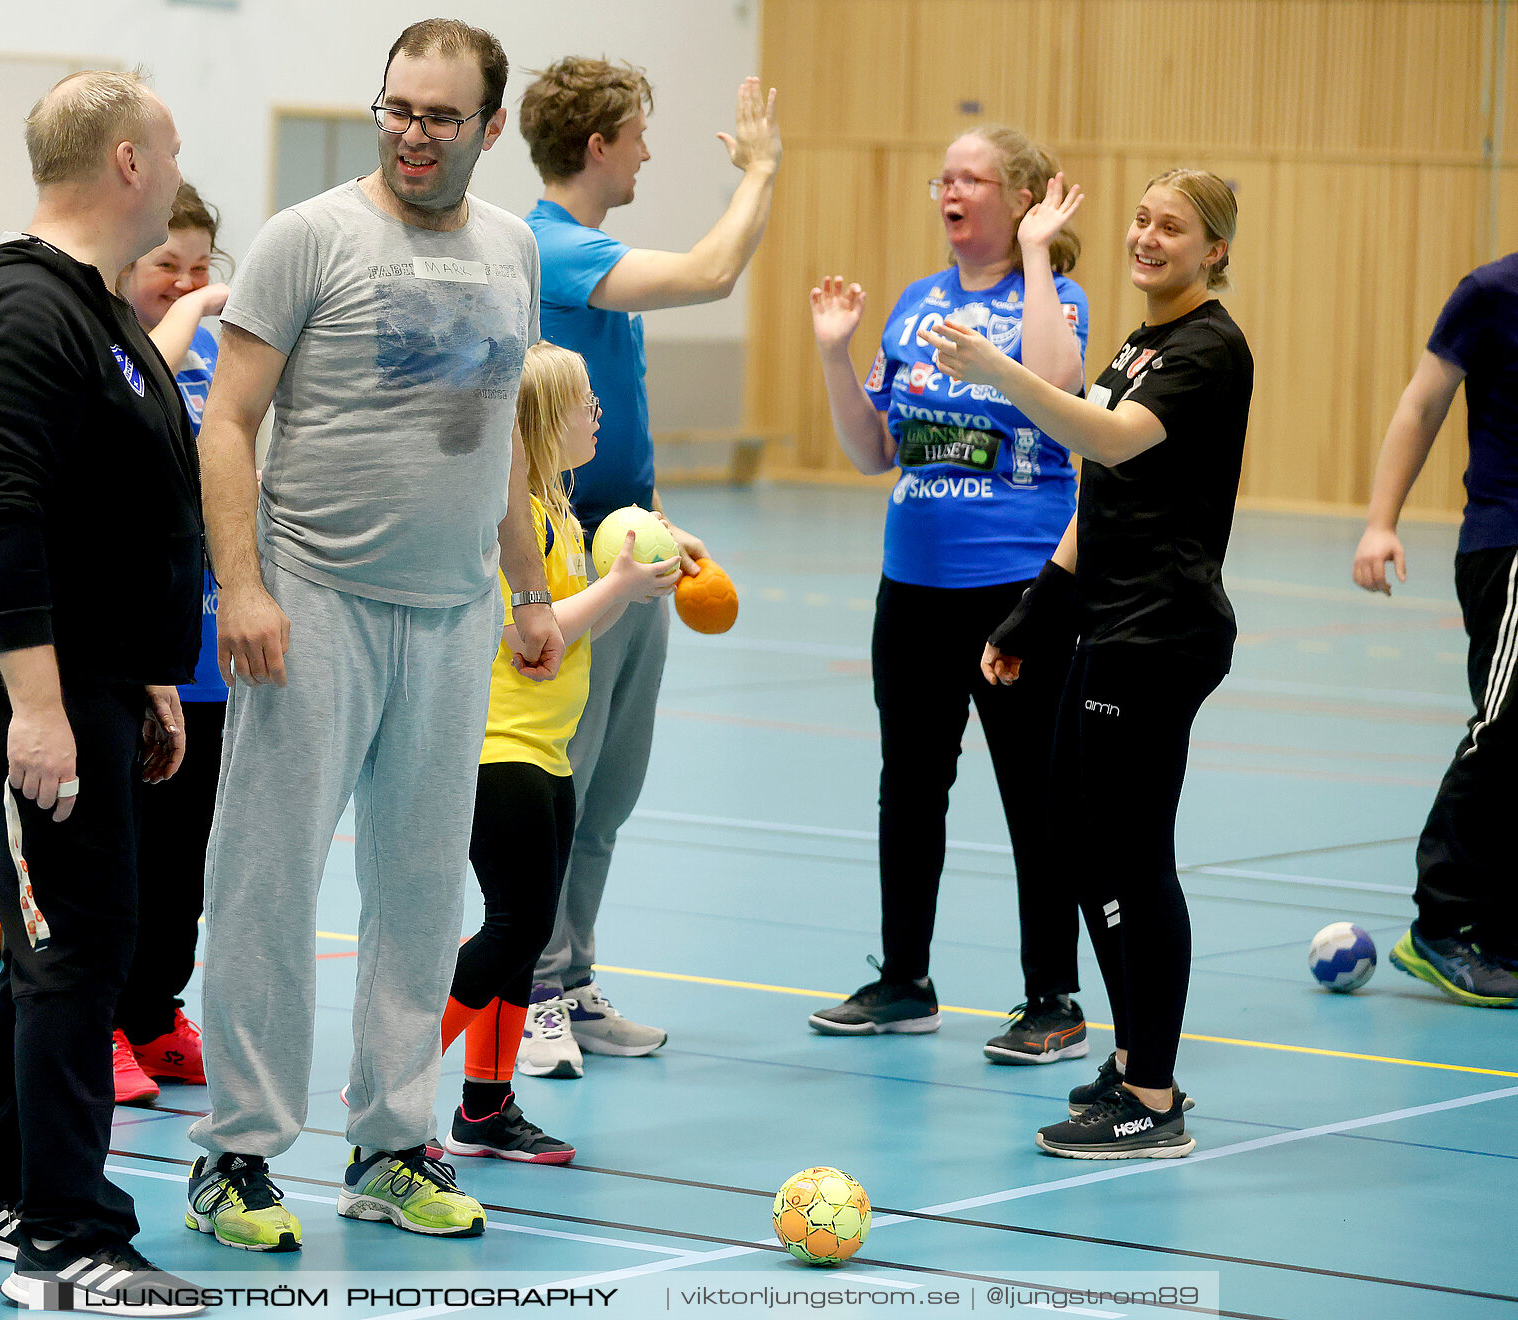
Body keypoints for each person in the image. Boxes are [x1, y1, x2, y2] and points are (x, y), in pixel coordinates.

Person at [184, 19, 552, 1248]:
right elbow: (227, 424)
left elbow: (497, 428)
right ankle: (236, 1151)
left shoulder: (512, 249)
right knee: (267, 881)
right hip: (316, 601)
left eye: (441, 117)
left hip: (452, 617)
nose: (411, 133)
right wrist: (244, 586)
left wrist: (531, 587)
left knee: (415, 889)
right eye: (397, 107)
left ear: (489, 129)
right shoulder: (308, 240)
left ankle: (394, 1142)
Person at [0, 70, 206, 1314]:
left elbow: (115, 506)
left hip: (85, 678)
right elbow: (3, 518)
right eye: (173, 147)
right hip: (13, 686)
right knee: (78, 947)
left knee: (60, 945)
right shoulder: (24, 311)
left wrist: (144, 671)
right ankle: (66, 1241)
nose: (184, 168)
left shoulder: (96, 311)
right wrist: (38, 706)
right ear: (129, 163)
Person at [923, 168, 1253, 1158]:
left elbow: (1107, 439)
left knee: (1132, 859)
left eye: (1174, 227)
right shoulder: (1140, 341)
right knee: (1075, 842)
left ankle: (1151, 1095)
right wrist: (1035, 613)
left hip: (1162, 634)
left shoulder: (1210, 348)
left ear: (1215, 252)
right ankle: (1132, 1062)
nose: (1148, 237)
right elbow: (1096, 498)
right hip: (1104, 624)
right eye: (1143, 219)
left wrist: (1001, 373)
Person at [514, 58, 779, 1080]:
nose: (648, 154)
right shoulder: (553, 248)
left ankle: (573, 977)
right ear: (598, 146)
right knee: (557, 779)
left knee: (611, 786)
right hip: (559, 566)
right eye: (637, 136)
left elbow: (616, 420)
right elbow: (713, 273)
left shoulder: (594, 258)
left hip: (627, 545)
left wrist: (661, 526)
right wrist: (758, 172)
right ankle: (528, 985)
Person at [806, 126, 1090, 1063]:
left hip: (1018, 587)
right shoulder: (916, 306)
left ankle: (1052, 996)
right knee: (910, 787)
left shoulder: (1056, 299)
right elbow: (872, 451)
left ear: (1016, 199)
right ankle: (904, 981)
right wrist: (836, 356)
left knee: (1037, 795)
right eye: (945, 177)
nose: (950, 191)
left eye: (972, 178)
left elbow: (1059, 388)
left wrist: (1043, 256)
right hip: (913, 585)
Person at [441, 342, 680, 1163]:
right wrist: (615, 587)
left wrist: (633, 585)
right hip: (496, 749)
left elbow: (577, 635)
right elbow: (527, 635)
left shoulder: (560, 513)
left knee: (528, 923)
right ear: (543, 420)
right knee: (511, 928)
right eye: (584, 401)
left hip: (547, 752)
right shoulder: (513, 523)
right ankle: (390, 1069)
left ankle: (485, 1107)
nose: (598, 412)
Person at [1352, 261, 1518, 1006]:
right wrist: (1381, 522)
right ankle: (1443, 926)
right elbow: (1422, 405)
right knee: (1509, 727)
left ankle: (1503, 934)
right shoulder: (1492, 292)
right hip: (1510, 545)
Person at [110, 182, 233, 1105]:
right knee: (122, 851)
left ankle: (155, 1010)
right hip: (128, 655)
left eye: (202, 269)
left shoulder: (222, 352)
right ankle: (102, 1019)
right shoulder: (108, 342)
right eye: (168, 268)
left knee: (187, 855)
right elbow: (130, 430)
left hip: (209, 659)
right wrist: (189, 311)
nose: (187, 285)